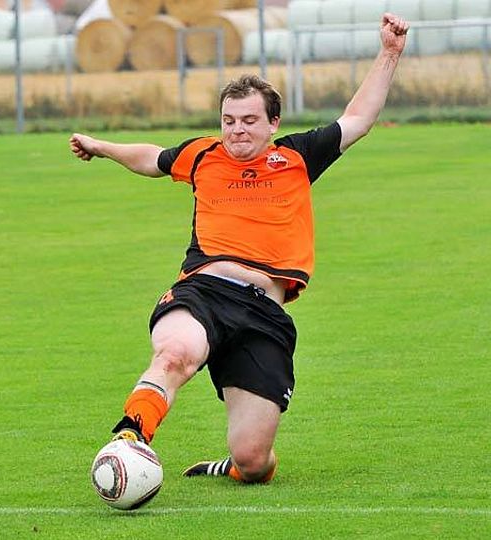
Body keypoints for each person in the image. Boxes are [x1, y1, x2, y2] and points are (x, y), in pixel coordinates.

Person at [69, 14, 409, 484]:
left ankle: (233, 466)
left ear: (273, 123)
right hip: (204, 291)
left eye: (249, 121)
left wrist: (389, 52)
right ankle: (131, 435)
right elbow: (151, 157)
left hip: (264, 314)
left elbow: (358, 119)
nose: (237, 130)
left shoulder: (296, 157)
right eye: (229, 121)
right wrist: (101, 147)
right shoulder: (203, 155)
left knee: (254, 461)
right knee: (174, 353)